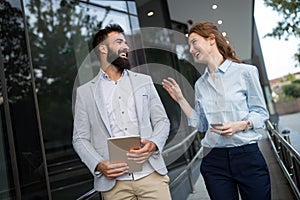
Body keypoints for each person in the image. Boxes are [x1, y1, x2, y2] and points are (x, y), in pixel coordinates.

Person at [162, 22, 271, 200]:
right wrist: (181, 99)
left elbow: (261, 113)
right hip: (214, 160)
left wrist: (241, 125)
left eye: (194, 42)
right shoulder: (200, 84)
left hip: (247, 155)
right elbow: (202, 124)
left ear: (211, 40)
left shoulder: (246, 72)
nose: (191, 49)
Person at [73, 24, 171, 200]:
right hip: (114, 186)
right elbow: (80, 138)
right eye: (119, 42)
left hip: (151, 176)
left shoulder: (144, 81)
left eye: (125, 42)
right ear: (102, 48)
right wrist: (99, 164)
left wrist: (154, 143)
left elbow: (162, 121)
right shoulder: (85, 92)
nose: (126, 47)